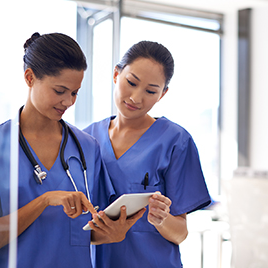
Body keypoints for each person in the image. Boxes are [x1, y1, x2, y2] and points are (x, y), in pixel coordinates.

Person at [0, 32, 139, 268]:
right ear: (30, 77)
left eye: (74, 92)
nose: (69, 102)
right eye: (59, 91)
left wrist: (114, 234)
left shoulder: (87, 148)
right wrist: (45, 200)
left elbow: (85, 233)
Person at [83, 40, 211, 267]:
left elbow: (180, 233)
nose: (136, 98)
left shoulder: (175, 141)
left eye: (151, 91)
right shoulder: (86, 139)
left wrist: (161, 219)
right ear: (116, 74)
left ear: (162, 94)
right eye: (131, 82)